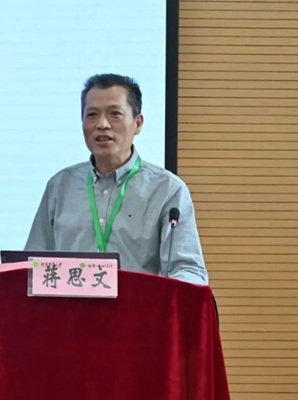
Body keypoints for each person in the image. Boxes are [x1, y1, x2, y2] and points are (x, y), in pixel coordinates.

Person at [24, 73, 208, 285]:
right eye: (92, 115)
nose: (102, 124)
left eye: (115, 114)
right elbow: (31, 264)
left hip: (138, 305)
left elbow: (189, 270)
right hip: (69, 306)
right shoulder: (60, 186)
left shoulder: (167, 190)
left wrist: (165, 293)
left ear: (138, 123)